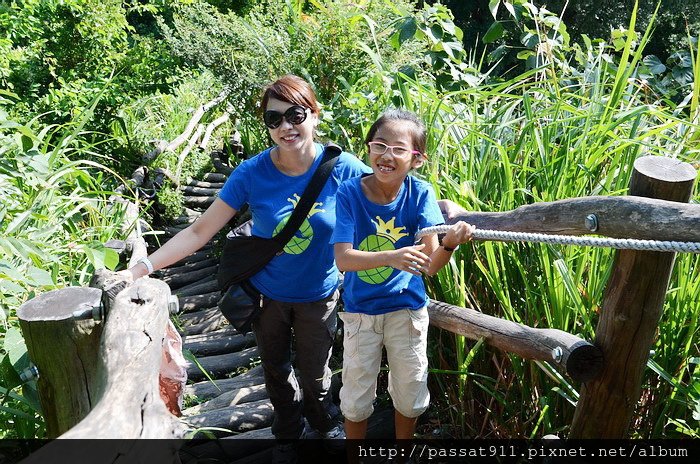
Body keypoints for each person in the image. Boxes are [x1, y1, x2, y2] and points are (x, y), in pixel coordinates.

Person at [124, 74, 371, 463]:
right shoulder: (252, 173)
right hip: (267, 295)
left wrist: (434, 224)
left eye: (295, 115)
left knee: (315, 374)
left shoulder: (345, 169)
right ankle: (287, 432)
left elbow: (388, 206)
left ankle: (323, 422)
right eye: (274, 120)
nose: (286, 127)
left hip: (319, 295)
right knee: (275, 370)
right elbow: (200, 230)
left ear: (314, 115)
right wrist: (141, 268)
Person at [331, 109, 475, 443]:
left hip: (407, 312)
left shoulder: (420, 193)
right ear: (367, 148)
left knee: (410, 397)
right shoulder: (349, 193)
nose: (387, 155)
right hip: (361, 312)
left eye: (399, 149)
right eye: (379, 145)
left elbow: (429, 264)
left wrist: (449, 244)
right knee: (355, 399)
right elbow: (343, 259)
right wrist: (392, 256)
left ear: (417, 159)